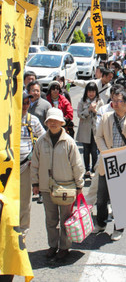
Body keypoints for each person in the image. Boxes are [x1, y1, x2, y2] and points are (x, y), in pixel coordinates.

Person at [31, 108, 85, 260]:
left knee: (66, 220)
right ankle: (53, 245)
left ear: (62, 122)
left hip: (66, 187)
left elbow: (77, 165)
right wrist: (35, 183)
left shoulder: (69, 142)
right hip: (47, 188)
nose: (53, 123)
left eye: (56, 121)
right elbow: (35, 163)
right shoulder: (41, 141)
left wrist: (79, 185)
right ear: (46, 122)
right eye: (50, 121)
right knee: (51, 219)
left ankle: (64, 247)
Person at [94, 87, 126, 241]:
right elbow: (98, 136)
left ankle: (119, 228)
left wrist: (119, 154)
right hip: (106, 162)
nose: (114, 103)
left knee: (120, 200)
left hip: (123, 165)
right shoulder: (106, 117)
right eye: (113, 100)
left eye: (118, 101)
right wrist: (106, 152)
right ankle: (100, 224)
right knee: (101, 198)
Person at [20, 92, 45, 237]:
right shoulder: (8, 118)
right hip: (7, 166)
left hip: (25, 166)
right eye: (22, 103)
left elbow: (42, 138)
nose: (24, 106)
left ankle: (23, 228)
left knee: (24, 199)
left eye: (27, 103)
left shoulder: (33, 120)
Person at [76, 82, 104, 178]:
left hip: (96, 129)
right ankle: (87, 169)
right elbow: (79, 114)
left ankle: (94, 169)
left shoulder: (100, 101)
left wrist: (95, 110)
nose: (91, 93)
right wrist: (88, 110)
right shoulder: (82, 101)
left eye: (93, 91)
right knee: (86, 150)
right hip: (85, 129)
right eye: (89, 91)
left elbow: (103, 116)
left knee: (94, 150)